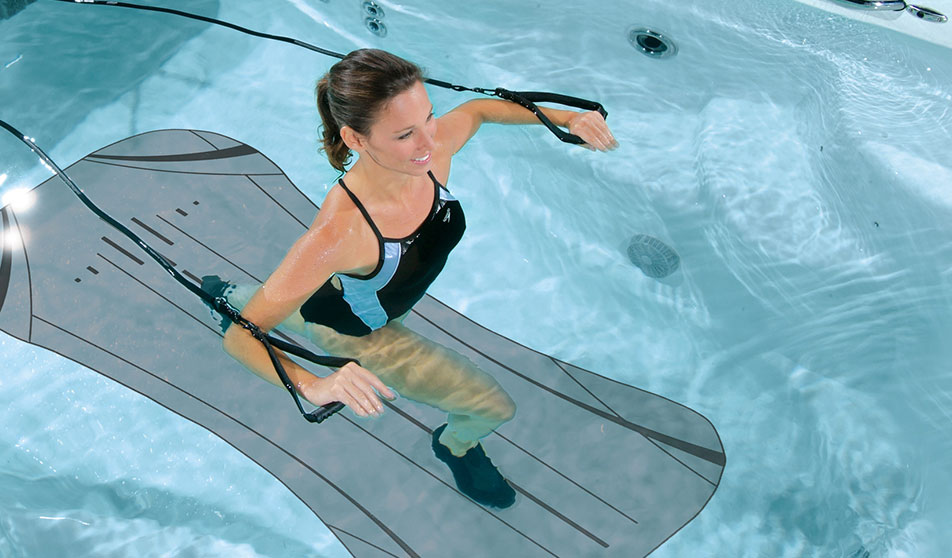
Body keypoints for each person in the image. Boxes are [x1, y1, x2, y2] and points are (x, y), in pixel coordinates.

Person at [202, 48, 617, 509]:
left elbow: (477, 110)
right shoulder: (340, 233)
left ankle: (226, 294)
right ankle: (453, 445)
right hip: (361, 333)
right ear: (356, 140)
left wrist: (566, 119)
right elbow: (240, 341)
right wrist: (314, 385)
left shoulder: (431, 154)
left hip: (339, 296)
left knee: (294, 308)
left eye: (428, 118)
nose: (426, 143)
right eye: (404, 134)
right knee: (493, 407)